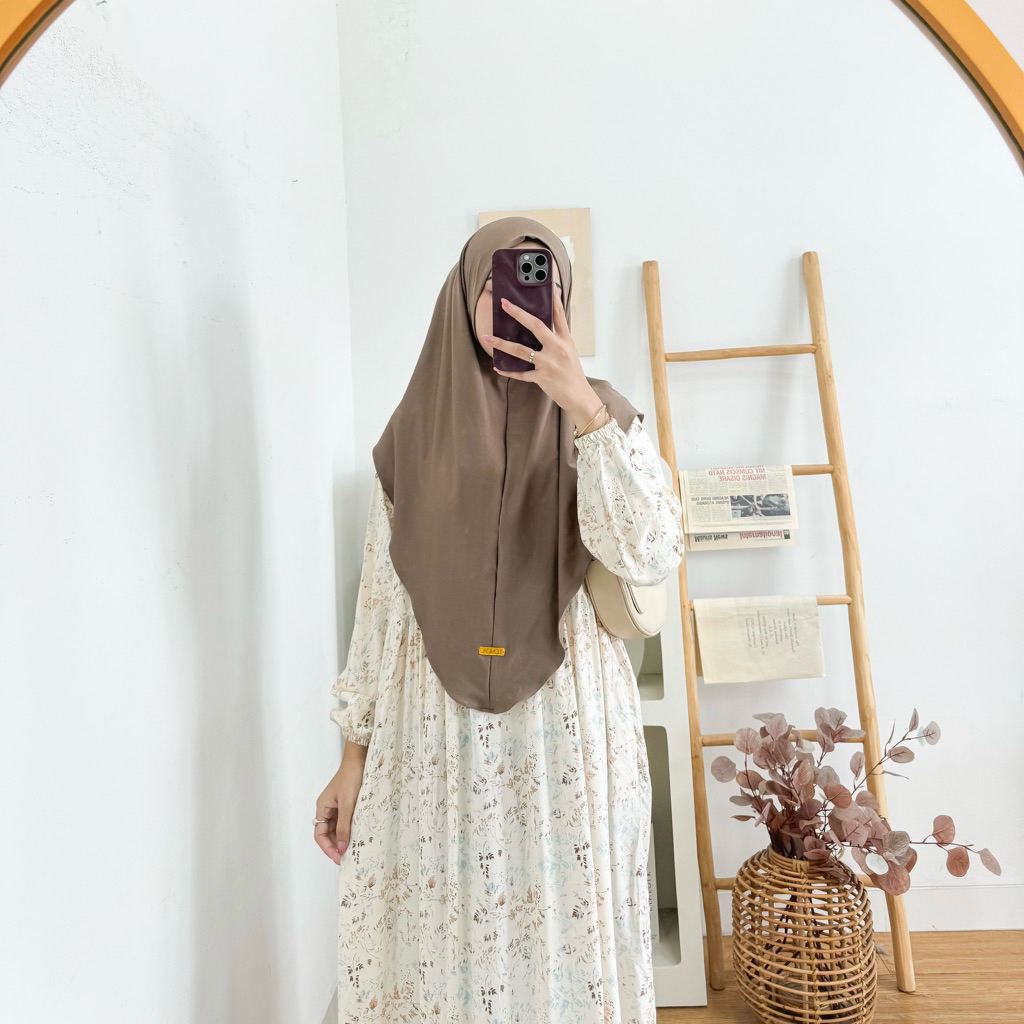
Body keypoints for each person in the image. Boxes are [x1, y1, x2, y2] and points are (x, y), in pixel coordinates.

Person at [314, 216, 684, 1023]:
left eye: (535, 283)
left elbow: (652, 549)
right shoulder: (414, 435)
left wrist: (583, 408)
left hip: (566, 731)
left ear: (562, 300)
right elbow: (381, 604)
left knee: (562, 933)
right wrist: (351, 757)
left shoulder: (606, 414)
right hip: (432, 739)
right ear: (461, 297)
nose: (511, 301)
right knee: (441, 937)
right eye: (494, 283)